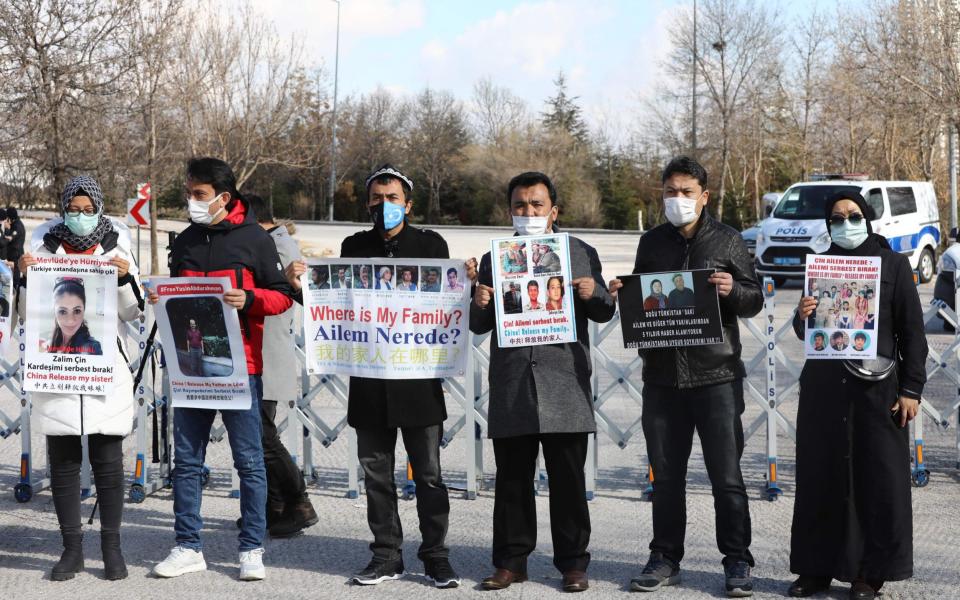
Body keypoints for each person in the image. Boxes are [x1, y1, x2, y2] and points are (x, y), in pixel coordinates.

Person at [284, 164, 460, 588]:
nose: (385, 206)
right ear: (367, 204)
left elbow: (450, 299)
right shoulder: (355, 245)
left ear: (409, 204)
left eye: (393, 199)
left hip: (418, 380)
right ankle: (386, 554)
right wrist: (300, 287)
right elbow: (338, 305)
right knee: (376, 474)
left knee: (430, 474)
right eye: (377, 199)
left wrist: (467, 281)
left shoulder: (431, 244)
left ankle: (435, 555)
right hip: (370, 380)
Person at [608, 156, 761, 597]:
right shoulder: (651, 242)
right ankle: (664, 557)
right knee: (666, 476)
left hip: (717, 376)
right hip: (662, 379)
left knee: (726, 477)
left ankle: (737, 560)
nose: (678, 200)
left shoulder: (728, 240)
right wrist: (624, 294)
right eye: (670, 192)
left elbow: (753, 299)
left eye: (686, 192)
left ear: (704, 196)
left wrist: (734, 290)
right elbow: (641, 298)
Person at [468, 171, 616, 593]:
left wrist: (593, 294)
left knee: (568, 478)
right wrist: (479, 302)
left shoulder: (580, 252)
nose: (528, 212)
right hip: (514, 380)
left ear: (554, 210)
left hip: (564, 380)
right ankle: (511, 561)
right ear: (509, 210)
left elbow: (605, 310)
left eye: (536, 205)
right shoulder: (495, 258)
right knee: (512, 478)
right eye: (519, 205)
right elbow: (480, 324)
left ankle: (572, 563)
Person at [148, 158, 293, 582]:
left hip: (240, 368)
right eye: (188, 193)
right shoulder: (188, 241)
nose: (191, 201)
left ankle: (251, 547)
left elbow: (282, 296)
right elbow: (177, 292)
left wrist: (249, 298)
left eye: (199, 194)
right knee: (188, 462)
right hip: (190, 369)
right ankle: (188, 545)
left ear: (223, 198)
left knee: (249, 462)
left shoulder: (254, 239)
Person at [790, 191, 925, 599]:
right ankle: (816, 569)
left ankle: (870, 572)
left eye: (852, 215)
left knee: (876, 479)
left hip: (877, 389)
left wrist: (911, 389)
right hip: (825, 390)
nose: (845, 223)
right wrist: (802, 314)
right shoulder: (820, 265)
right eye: (836, 217)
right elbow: (806, 334)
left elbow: (912, 333)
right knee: (821, 476)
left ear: (866, 219)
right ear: (827, 224)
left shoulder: (894, 265)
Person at [16, 175, 143, 581]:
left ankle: (112, 548)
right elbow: (24, 315)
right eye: (75, 209)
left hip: (106, 368)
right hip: (56, 370)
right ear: (63, 207)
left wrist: (123, 280)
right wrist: (23, 277)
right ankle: (71, 549)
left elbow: (134, 312)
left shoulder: (118, 243)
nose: (82, 217)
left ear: (101, 209)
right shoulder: (41, 244)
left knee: (108, 460)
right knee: (64, 462)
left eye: (89, 210)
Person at [246, 193, 318, 538]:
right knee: (260, 433)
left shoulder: (279, 246)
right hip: (257, 349)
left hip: (269, 351)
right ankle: (272, 508)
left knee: (263, 437)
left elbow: (289, 294)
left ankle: (299, 501)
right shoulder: (270, 241)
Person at [41, 279, 103, 355]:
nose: (70, 320)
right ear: (54, 311)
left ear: (84, 310)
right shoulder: (46, 346)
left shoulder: (93, 348)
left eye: (77, 311)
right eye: (63, 312)